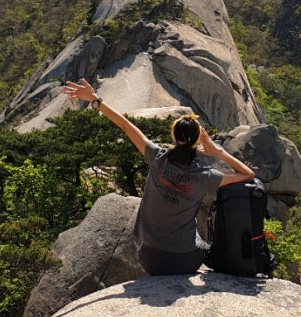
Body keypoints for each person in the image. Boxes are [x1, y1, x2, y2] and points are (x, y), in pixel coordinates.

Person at [62, 78, 256, 275]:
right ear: (198, 143)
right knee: (203, 240)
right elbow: (248, 175)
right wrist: (218, 152)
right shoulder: (205, 176)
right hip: (186, 262)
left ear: (173, 136)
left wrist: (95, 99)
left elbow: (126, 126)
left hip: (150, 260)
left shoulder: (157, 157)